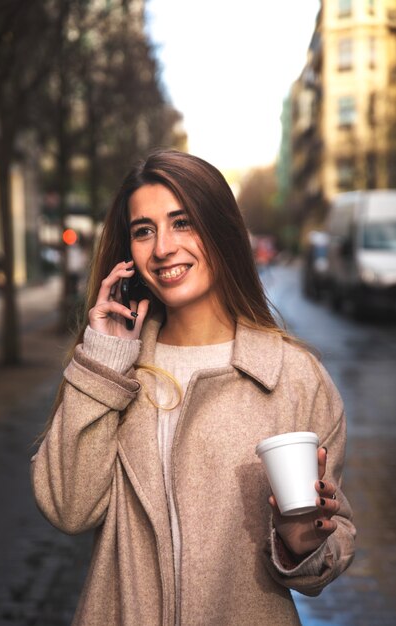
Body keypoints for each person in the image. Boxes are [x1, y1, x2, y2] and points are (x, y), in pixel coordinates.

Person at [31, 149, 356, 626]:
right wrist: (103, 360)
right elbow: (68, 508)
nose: (162, 247)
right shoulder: (117, 368)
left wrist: (301, 542)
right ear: (129, 251)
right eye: (144, 230)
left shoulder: (294, 376)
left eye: (182, 222)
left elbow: (335, 537)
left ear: (220, 231)